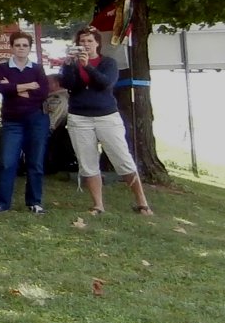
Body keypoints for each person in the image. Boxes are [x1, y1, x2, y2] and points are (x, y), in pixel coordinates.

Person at [56, 28, 154, 215]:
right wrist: (68, 65)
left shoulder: (108, 62)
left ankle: (142, 202)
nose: (85, 45)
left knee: (122, 158)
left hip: (106, 116)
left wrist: (88, 66)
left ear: (97, 44)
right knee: (88, 162)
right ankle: (98, 205)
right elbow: (68, 84)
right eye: (82, 41)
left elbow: (104, 83)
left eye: (89, 41)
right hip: (79, 117)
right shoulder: (73, 63)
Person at [0, 31, 51, 213]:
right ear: (12, 47)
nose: (21, 48)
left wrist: (15, 89)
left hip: (36, 120)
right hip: (12, 121)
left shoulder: (37, 68)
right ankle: (2, 203)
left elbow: (43, 93)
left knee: (35, 162)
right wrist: (27, 87)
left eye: (25, 45)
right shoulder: (3, 67)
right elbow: (3, 89)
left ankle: (34, 202)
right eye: (17, 45)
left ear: (30, 48)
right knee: (8, 162)